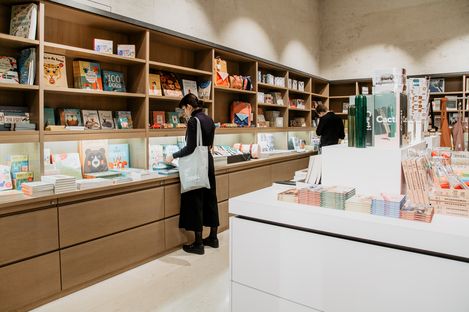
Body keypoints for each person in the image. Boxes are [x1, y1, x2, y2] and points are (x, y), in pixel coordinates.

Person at [165, 93, 219, 255]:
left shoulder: (194, 121)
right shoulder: (209, 119)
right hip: (207, 161)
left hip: (196, 164)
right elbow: (209, 145)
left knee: (196, 200)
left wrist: (173, 155)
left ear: (189, 106)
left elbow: (190, 148)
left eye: (183, 109)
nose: (184, 112)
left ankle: (198, 243)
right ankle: (213, 238)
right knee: (210, 198)